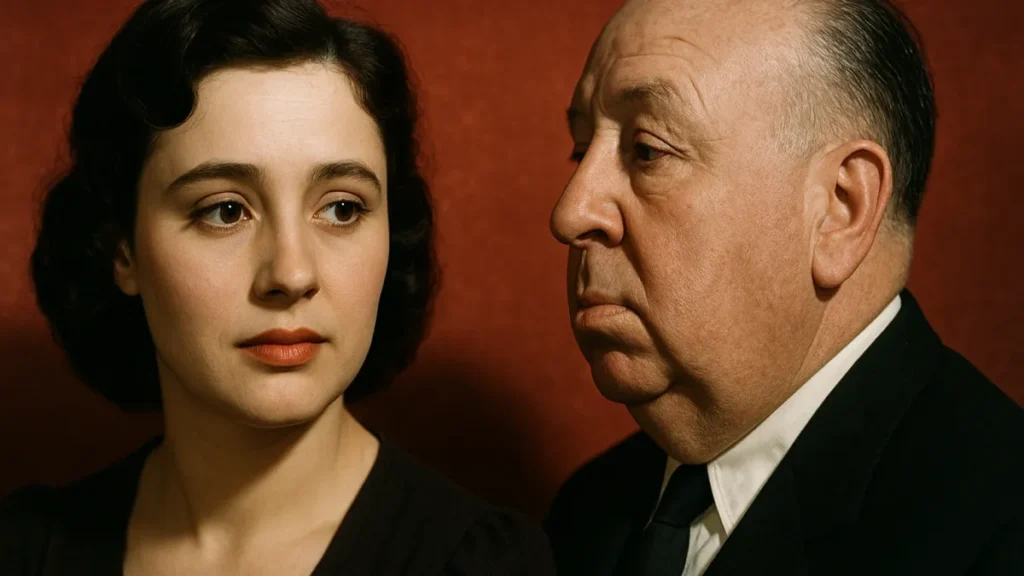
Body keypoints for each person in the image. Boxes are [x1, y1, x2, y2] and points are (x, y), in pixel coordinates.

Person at [0, 1, 555, 574]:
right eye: (224, 211)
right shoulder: (23, 551)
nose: (291, 275)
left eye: (342, 208)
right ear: (122, 249)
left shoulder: (483, 563)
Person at [544, 0, 1023, 574]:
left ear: (841, 209)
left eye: (648, 151)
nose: (571, 211)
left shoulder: (1000, 531)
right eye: (580, 150)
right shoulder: (586, 514)